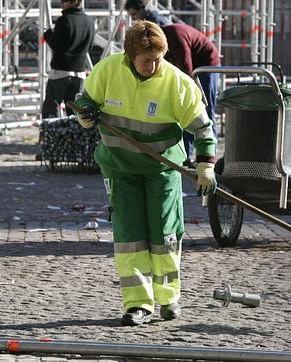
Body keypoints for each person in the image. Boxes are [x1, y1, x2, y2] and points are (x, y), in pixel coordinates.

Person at [73, 21, 217, 326]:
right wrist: (86, 114)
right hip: (119, 168)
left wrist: (205, 165)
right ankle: (138, 303)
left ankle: (168, 298)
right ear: (129, 56)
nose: (153, 66)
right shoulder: (109, 70)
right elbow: (85, 99)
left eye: (158, 59)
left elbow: (203, 127)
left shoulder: (177, 83)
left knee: (164, 235)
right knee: (130, 237)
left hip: (161, 170)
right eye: (146, 61)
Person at [161, 23, 220, 168]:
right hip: (192, 68)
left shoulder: (175, 37)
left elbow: (187, 70)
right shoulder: (164, 40)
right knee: (184, 114)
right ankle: (186, 155)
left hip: (206, 66)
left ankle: (208, 156)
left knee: (203, 111)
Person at [40, 0, 94, 119]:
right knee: (74, 111)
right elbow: (90, 46)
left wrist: (48, 36)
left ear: (74, 2)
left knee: (51, 107)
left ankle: (51, 136)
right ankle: (74, 136)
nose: (61, 3)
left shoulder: (65, 20)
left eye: (64, 1)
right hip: (79, 71)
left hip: (60, 70)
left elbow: (57, 45)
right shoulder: (89, 21)